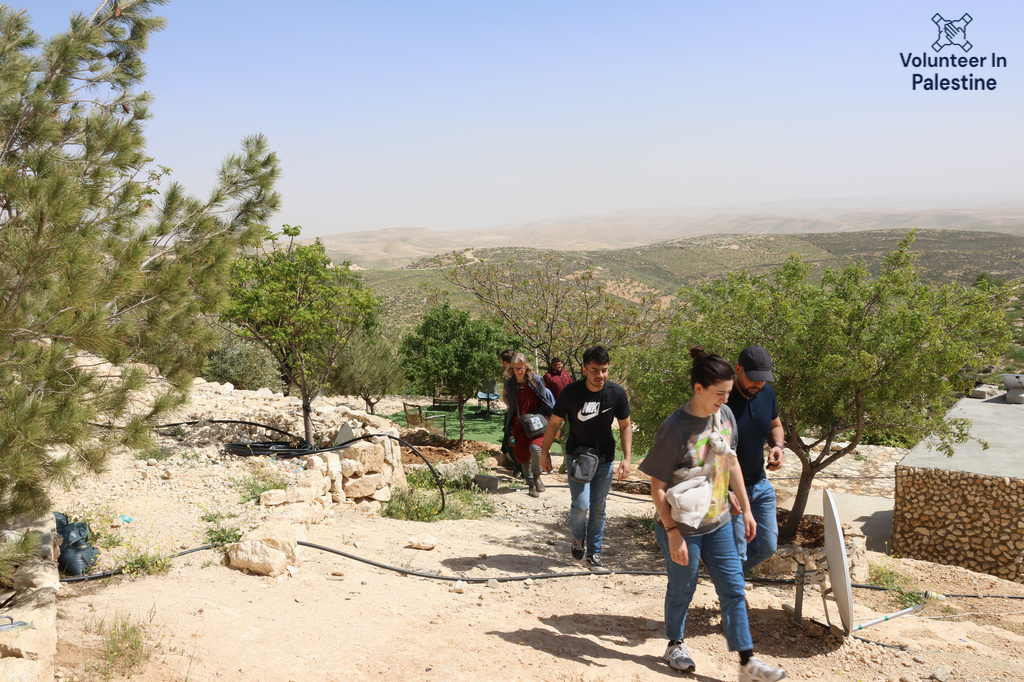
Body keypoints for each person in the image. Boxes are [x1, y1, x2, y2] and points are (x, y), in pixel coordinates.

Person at [639, 347, 787, 681]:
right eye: (720, 394)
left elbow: (728, 461)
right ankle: (675, 643)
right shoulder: (675, 429)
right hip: (681, 525)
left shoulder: (724, 416)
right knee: (683, 588)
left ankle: (747, 663)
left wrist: (746, 508)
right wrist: (673, 532)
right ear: (698, 389)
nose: (725, 400)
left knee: (734, 589)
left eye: (728, 394)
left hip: (719, 520)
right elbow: (657, 487)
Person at [540, 346, 631, 569]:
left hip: (605, 458)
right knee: (580, 505)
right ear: (584, 370)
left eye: (604, 370)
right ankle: (578, 539)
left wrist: (626, 458)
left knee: (598, 507)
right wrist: (544, 452)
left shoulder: (616, 393)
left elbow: (625, 425)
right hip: (578, 456)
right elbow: (554, 423)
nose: (600, 375)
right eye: (594, 370)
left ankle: (595, 554)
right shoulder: (571, 392)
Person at [727, 345, 785, 573]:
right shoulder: (722, 397)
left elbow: (775, 425)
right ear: (738, 369)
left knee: (767, 546)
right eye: (753, 379)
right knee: (738, 550)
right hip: (729, 489)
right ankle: (732, 592)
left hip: (760, 484)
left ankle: (727, 577)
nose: (758, 385)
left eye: (763, 379)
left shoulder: (766, 392)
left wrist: (777, 446)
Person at [504, 353, 554, 497]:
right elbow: (505, 395)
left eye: (521, 368)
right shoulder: (510, 383)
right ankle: (530, 482)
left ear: (526, 367)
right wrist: (508, 405)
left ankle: (538, 477)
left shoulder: (536, 380)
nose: (518, 371)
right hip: (517, 423)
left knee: (535, 448)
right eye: (515, 368)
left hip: (536, 422)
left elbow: (544, 399)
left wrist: (547, 417)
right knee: (522, 455)